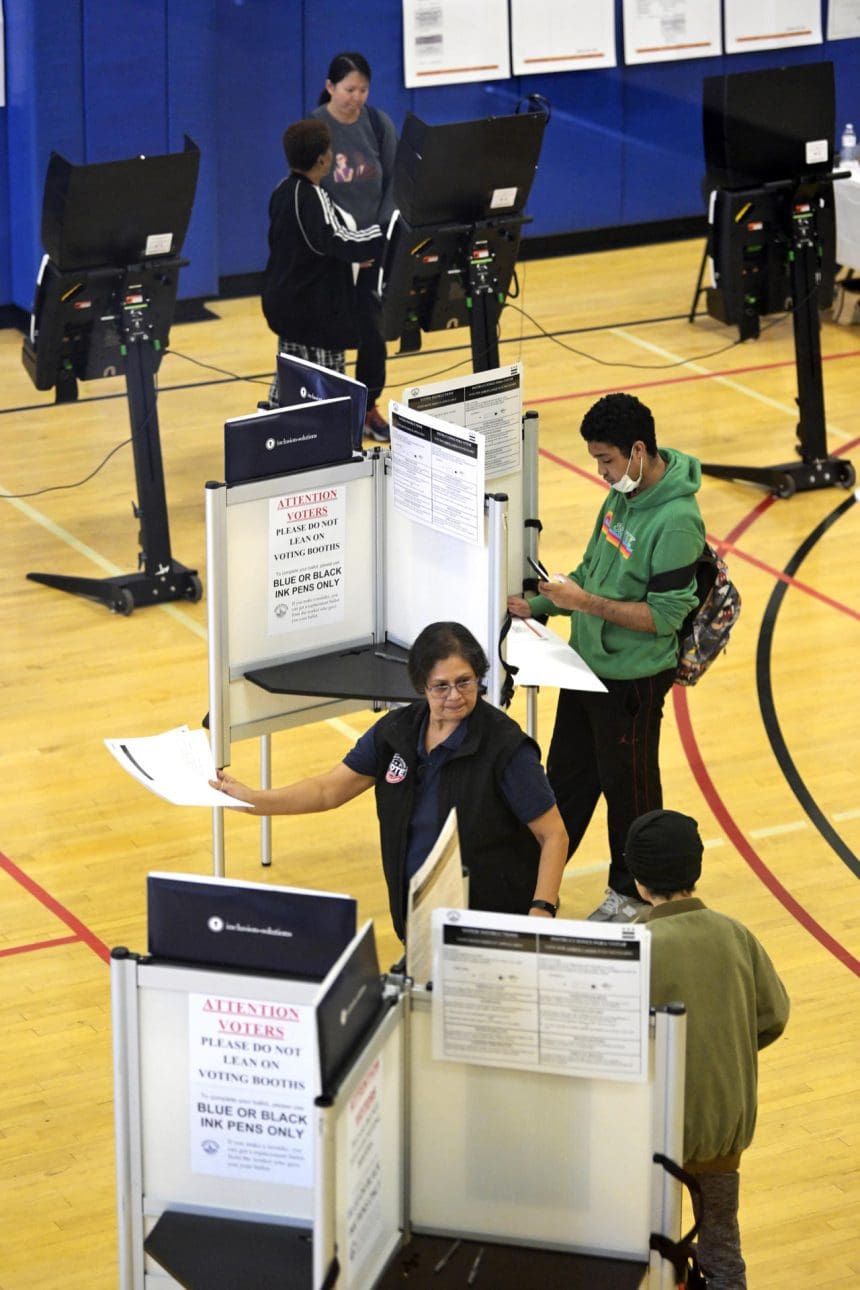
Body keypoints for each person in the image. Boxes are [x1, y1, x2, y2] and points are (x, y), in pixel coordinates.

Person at [211, 622, 568, 941]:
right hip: (416, 918)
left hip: (492, 926)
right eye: (440, 687)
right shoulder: (396, 733)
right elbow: (328, 789)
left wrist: (541, 911)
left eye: (465, 682)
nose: (455, 696)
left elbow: (553, 834)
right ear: (420, 686)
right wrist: (254, 801)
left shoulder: (505, 747)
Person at [507, 392, 705, 923]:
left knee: (630, 792)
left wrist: (582, 603)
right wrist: (542, 603)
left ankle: (633, 896)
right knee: (565, 778)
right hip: (587, 666)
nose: (602, 472)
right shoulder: (623, 495)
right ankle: (535, 881)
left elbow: (664, 617)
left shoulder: (677, 521)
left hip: (633, 682)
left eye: (607, 460)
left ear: (638, 450)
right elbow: (592, 569)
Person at [625, 809, 789, 1289]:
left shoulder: (636, 943)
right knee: (722, 1242)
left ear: (638, 881)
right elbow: (774, 1014)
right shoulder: (736, 934)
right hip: (725, 1129)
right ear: (694, 872)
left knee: (645, 1241)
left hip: (656, 1136)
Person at [261, 117, 384, 428]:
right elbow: (337, 239)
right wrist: (381, 239)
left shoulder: (282, 190)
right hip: (314, 309)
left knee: (291, 374)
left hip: (286, 302)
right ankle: (331, 436)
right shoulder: (311, 196)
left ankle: (273, 427)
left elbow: (309, 246)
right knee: (329, 385)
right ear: (322, 159)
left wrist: (351, 261)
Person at [312, 52, 398, 443]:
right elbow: (308, 194)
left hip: (372, 249)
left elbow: (395, 183)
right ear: (331, 87)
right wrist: (344, 241)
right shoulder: (314, 129)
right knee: (327, 333)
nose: (357, 97)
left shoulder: (378, 125)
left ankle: (367, 407)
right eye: (349, 89)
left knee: (371, 331)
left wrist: (376, 237)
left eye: (363, 89)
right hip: (332, 253)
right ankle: (328, 409)